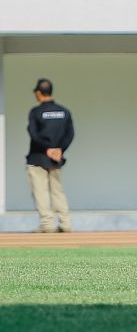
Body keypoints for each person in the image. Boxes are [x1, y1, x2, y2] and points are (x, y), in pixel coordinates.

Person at [26, 79, 74, 234]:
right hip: (56, 159)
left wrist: (47, 149)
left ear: (39, 93)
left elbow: (33, 134)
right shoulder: (64, 111)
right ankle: (65, 223)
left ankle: (47, 224)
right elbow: (70, 134)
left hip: (38, 157)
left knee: (41, 191)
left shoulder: (35, 112)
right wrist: (60, 149)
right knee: (57, 191)